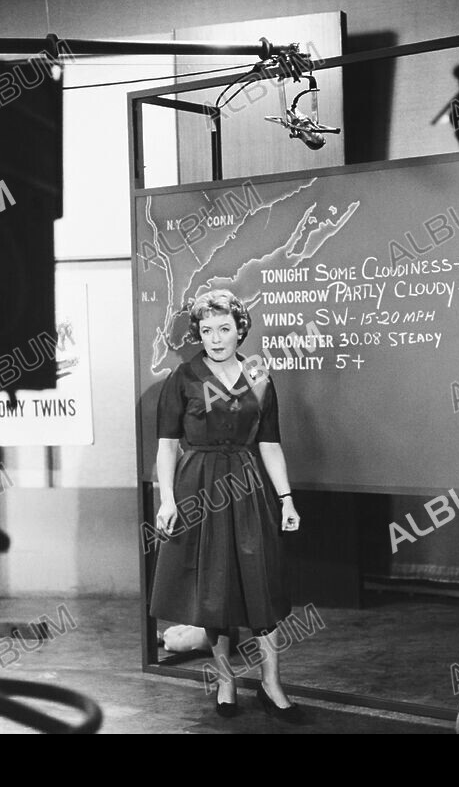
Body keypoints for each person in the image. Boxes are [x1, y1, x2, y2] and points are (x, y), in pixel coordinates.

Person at [149, 288, 303, 720]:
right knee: (213, 593)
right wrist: (168, 500)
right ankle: (225, 681)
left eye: (224, 328)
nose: (215, 338)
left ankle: (271, 684)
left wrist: (286, 499)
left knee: (261, 585)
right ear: (198, 334)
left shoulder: (260, 377)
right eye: (206, 330)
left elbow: (270, 445)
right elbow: (165, 446)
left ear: (240, 330)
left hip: (249, 488)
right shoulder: (183, 378)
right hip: (199, 488)